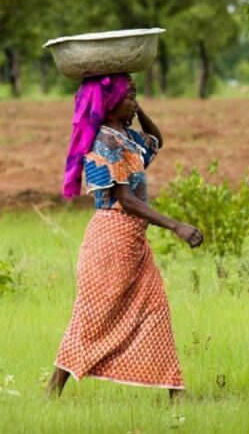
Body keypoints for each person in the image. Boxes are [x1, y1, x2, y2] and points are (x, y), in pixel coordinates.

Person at [48, 73, 203, 401]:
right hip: (111, 238)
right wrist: (176, 226)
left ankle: (175, 392)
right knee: (94, 316)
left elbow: (156, 140)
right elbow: (127, 199)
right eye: (129, 97)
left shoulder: (126, 137)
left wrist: (136, 106)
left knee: (156, 307)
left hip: (134, 240)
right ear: (109, 103)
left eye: (136, 96)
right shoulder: (104, 141)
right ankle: (53, 388)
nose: (135, 101)